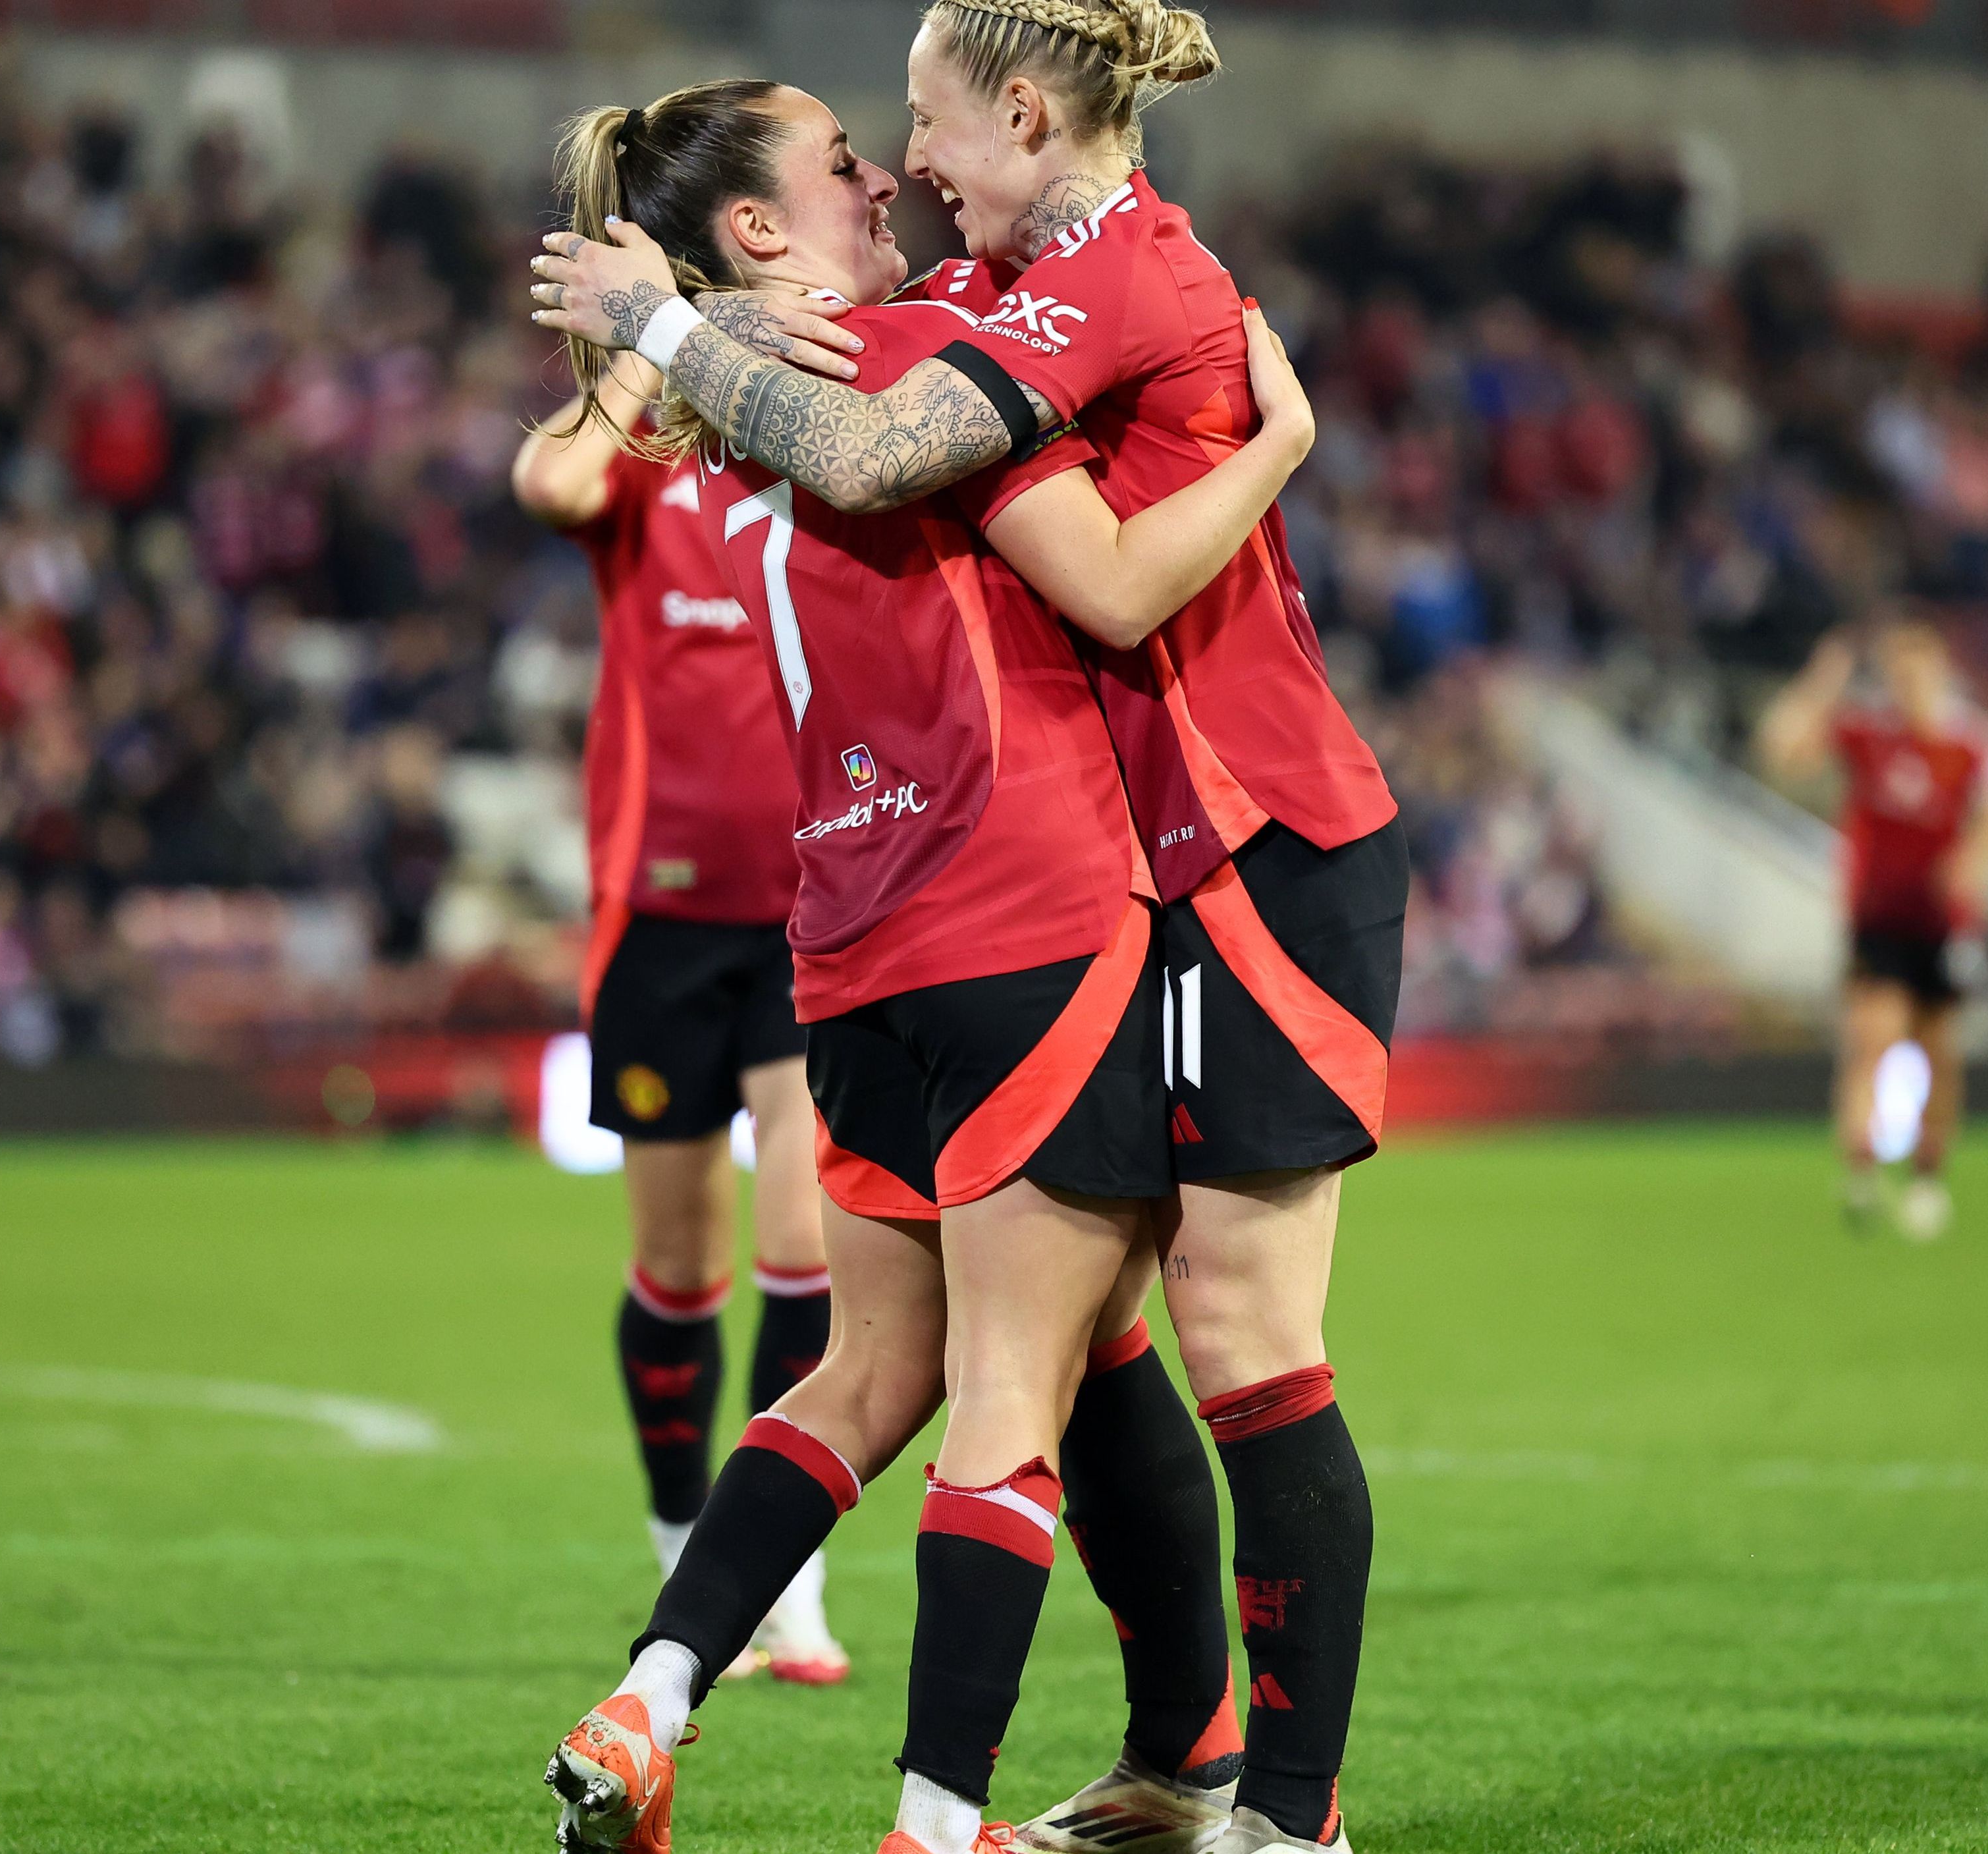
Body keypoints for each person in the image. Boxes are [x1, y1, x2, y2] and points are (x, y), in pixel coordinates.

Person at [537, 6, 1404, 1848]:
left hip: (1246, 841)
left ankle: (1281, 1816)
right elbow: (860, 429)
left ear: (1022, 111)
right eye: (863, 152)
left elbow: (932, 494)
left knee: (1225, 1321)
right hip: (1085, 873)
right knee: (1076, 1346)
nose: (904, 164)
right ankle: (1172, 1766)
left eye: (917, 127)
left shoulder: (1095, 272)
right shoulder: (975, 310)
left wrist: (665, 326)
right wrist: (1279, 444)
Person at [512, 350, 844, 1684]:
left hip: (810, 910)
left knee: (807, 1235)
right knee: (680, 1264)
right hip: (657, 923)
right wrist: (645, 353)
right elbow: (549, 476)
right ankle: (678, 1542)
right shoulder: (641, 475)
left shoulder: (824, 462)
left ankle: (789, 1581)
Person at [1758, 618, 1988, 1241]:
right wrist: (1823, 681)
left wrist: (1971, 863)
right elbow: (1781, 750)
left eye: (1916, 670)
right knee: (1874, 1036)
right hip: (1877, 921)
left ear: (1938, 672)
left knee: (1938, 1050)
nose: (1905, 683)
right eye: (1895, 672)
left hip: (1942, 924)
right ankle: (1861, 1172)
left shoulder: (1971, 745)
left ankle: (1927, 1177)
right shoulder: (1868, 736)